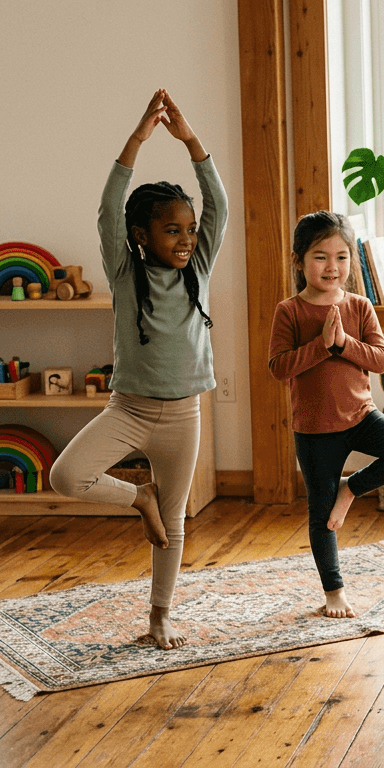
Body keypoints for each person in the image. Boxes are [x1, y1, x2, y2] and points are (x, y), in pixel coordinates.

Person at [49, 90, 226, 650]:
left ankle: (159, 616)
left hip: (183, 416)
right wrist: (138, 141)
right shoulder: (126, 272)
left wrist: (192, 140)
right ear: (142, 236)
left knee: (174, 525)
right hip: (128, 410)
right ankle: (138, 498)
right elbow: (108, 209)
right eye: (172, 230)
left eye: (189, 229)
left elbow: (217, 202)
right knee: (65, 476)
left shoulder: (198, 267)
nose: (186, 238)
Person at [267, 211, 384, 619]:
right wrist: (321, 345)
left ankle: (350, 489)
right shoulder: (290, 311)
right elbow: (279, 367)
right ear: (299, 260)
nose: (332, 267)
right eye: (321, 257)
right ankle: (334, 592)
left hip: (361, 416)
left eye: (342, 257)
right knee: (322, 516)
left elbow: (380, 358)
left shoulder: (360, 306)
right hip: (315, 430)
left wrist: (342, 344)